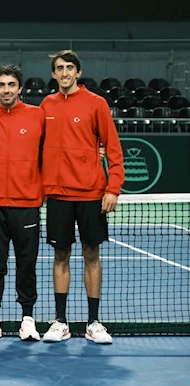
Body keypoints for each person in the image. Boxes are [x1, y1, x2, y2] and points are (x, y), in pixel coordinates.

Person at [40, 50, 123, 344]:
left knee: (91, 255)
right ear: (53, 74)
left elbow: (113, 147)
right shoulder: (46, 105)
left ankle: (93, 322)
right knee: (60, 255)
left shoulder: (96, 104)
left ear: (78, 72)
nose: (64, 73)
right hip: (58, 195)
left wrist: (113, 187)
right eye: (59, 68)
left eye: (69, 68)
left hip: (91, 194)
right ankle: (60, 322)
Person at [0, 65, 45, 341]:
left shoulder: (38, 115)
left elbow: (55, 147)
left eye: (11, 85)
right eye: (1, 85)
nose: (6, 90)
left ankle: (27, 319)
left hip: (27, 203)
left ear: (20, 88)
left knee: (26, 264)